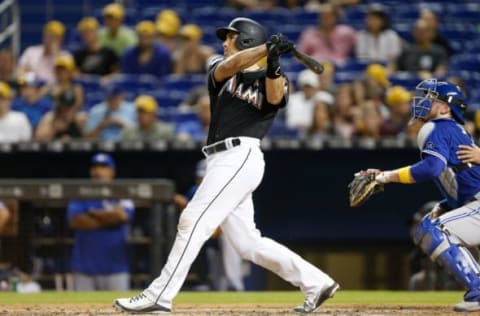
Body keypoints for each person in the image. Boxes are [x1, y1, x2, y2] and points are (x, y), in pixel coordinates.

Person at [114, 17, 338, 314]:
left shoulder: (277, 78)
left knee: (192, 220)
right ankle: (317, 282)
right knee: (248, 244)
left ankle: (160, 295)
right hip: (220, 160)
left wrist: (272, 60)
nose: (224, 42)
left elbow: (273, 97)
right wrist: (265, 49)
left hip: (240, 155)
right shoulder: (221, 67)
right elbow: (228, 67)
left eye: (230, 37)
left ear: (245, 40)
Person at [357, 79, 480, 312]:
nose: (424, 102)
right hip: (475, 202)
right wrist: (446, 205)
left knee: (433, 230)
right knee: (429, 226)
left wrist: (384, 177)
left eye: (432, 99)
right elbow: (465, 182)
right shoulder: (451, 130)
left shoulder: (436, 127)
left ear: (445, 108)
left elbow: (431, 168)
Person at [174, 160, 245, 291]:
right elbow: (190, 205)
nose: (200, 180)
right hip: (212, 236)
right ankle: (222, 295)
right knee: (217, 274)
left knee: (231, 264)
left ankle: (235, 287)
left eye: (204, 177)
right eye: (199, 177)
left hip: (227, 233)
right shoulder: (195, 190)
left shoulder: (226, 188)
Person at [68, 153, 134, 291]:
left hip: (116, 269)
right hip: (84, 269)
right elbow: (75, 221)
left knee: (118, 311)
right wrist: (109, 218)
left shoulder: (122, 193)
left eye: (104, 167)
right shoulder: (80, 194)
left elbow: (122, 217)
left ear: (112, 171)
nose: (98, 171)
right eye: (95, 167)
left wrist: (92, 214)